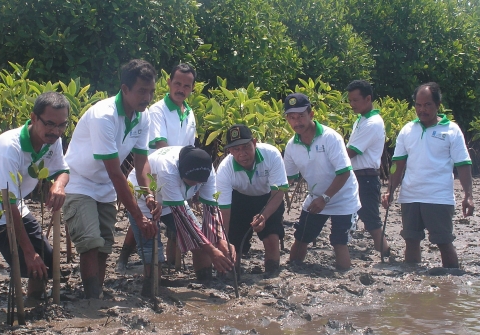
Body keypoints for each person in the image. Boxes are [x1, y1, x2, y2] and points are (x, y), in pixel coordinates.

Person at [0, 92, 70, 308]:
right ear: (33, 117)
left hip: (15, 206)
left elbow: (62, 170)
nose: (56, 131)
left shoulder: (53, 139)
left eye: (62, 125)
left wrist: (58, 184)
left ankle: (33, 305)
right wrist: (28, 253)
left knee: (46, 257)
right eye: (50, 124)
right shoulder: (9, 148)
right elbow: (6, 202)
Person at [63, 59, 160, 298]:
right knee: (90, 243)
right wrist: (138, 217)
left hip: (104, 187)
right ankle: (92, 299)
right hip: (79, 182)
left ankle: (96, 294)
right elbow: (116, 172)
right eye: (141, 91)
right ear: (125, 89)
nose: (147, 98)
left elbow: (141, 163)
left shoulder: (142, 116)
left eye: (151, 91)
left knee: (105, 246)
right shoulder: (103, 115)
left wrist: (148, 194)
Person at [382, 82, 473, 268]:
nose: (422, 109)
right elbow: (397, 166)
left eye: (427, 104)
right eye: (418, 105)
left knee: (444, 242)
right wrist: (390, 190)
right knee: (411, 240)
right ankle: (412, 284)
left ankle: (451, 285)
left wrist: (468, 195)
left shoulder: (451, 130)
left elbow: (463, 164)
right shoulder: (408, 130)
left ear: (438, 104)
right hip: (410, 196)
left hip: (439, 197)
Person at [117, 63, 198, 270]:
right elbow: (161, 145)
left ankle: (171, 265)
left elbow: (190, 149)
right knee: (146, 220)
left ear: (192, 88)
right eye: (177, 83)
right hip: (152, 176)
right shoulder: (156, 110)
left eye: (187, 86)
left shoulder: (189, 113)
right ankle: (124, 259)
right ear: (169, 83)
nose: (181, 89)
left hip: (174, 176)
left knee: (168, 221)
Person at [127, 146, 235, 294]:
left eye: (199, 183)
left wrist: (221, 239)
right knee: (152, 254)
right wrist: (212, 250)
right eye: (192, 182)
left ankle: (206, 285)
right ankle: (151, 292)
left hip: (175, 200)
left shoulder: (207, 170)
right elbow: (182, 217)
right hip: (145, 199)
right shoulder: (168, 170)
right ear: (181, 173)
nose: (195, 186)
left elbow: (212, 208)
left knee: (200, 245)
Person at [283, 93, 361, 270]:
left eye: (301, 116)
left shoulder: (330, 138)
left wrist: (325, 198)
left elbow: (344, 173)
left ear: (311, 115)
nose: (297, 122)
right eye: (292, 118)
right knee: (302, 236)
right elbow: (288, 177)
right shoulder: (291, 145)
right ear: (287, 119)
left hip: (342, 196)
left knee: (339, 241)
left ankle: (345, 276)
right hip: (316, 195)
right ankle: (293, 269)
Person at [216, 125, 288, 275]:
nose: (242, 154)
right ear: (229, 151)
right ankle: (232, 274)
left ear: (254, 142)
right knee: (233, 243)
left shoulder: (271, 155)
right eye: (236, 149)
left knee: (271, 238)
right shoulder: (225, 169)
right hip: (239, 200)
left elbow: (278, 193)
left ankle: (272, 275)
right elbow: (224, 210)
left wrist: (264, 216)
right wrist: (223, 239)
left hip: (268, 199)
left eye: (246, 147)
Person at [345, 80, 391, 257]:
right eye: (350, 100)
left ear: (368, 98)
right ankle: (383, 251)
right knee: (360, 216)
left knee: (371, 219)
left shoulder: (372, 122)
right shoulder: (361, 120)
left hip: (365, 177)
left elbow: (351, 152)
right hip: (358, 176)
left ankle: (385, 252)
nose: (352, 104)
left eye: (355, 100)